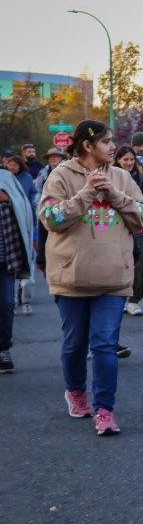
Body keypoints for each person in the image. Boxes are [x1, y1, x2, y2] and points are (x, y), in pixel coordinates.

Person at [38, 120, 143, 435]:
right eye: (107, 141)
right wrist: (86, 194)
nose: (113, 146)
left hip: (113, 280)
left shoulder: (123, 177)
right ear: (88, 145)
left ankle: (104, 410)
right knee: (75, 344)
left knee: (104, 343)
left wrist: (115, 194)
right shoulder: (61, 175)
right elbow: (50, 218)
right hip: (71, 279)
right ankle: (75, 390)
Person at [0, 154, 34, 373]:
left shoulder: (5, 179)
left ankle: (3, 349)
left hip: (6, 257)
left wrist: (7, 200)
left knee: (6, 303)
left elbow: (23, 205)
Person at [115, 146, 143, 317]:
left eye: (131, 159)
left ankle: (134, 300)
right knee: (119, 262)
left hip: (136, 226)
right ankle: (120, 298)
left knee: (139, 262)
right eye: (125, 159)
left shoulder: (139, 176)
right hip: (117, 226)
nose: (128, 163)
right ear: (118, 160)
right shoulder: (111, 177)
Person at [4, 156, 37, 316]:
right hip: (6, 242)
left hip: (25, 226)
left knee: (27, 277)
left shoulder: (26, 178)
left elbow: (32, 197)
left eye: (15, 164)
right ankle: (12, 302)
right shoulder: (4, 177)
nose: (12, 166)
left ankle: (26, 301)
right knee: (6, 298)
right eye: (9, 163)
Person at [34, 148, 66, 277]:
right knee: (45, 235)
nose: (53, 159)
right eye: (50, 157)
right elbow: (38, 191)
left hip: (63, 207)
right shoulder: (44, 172)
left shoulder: (66, 171)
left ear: (60, 158)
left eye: (55, 156)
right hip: (47, 207)